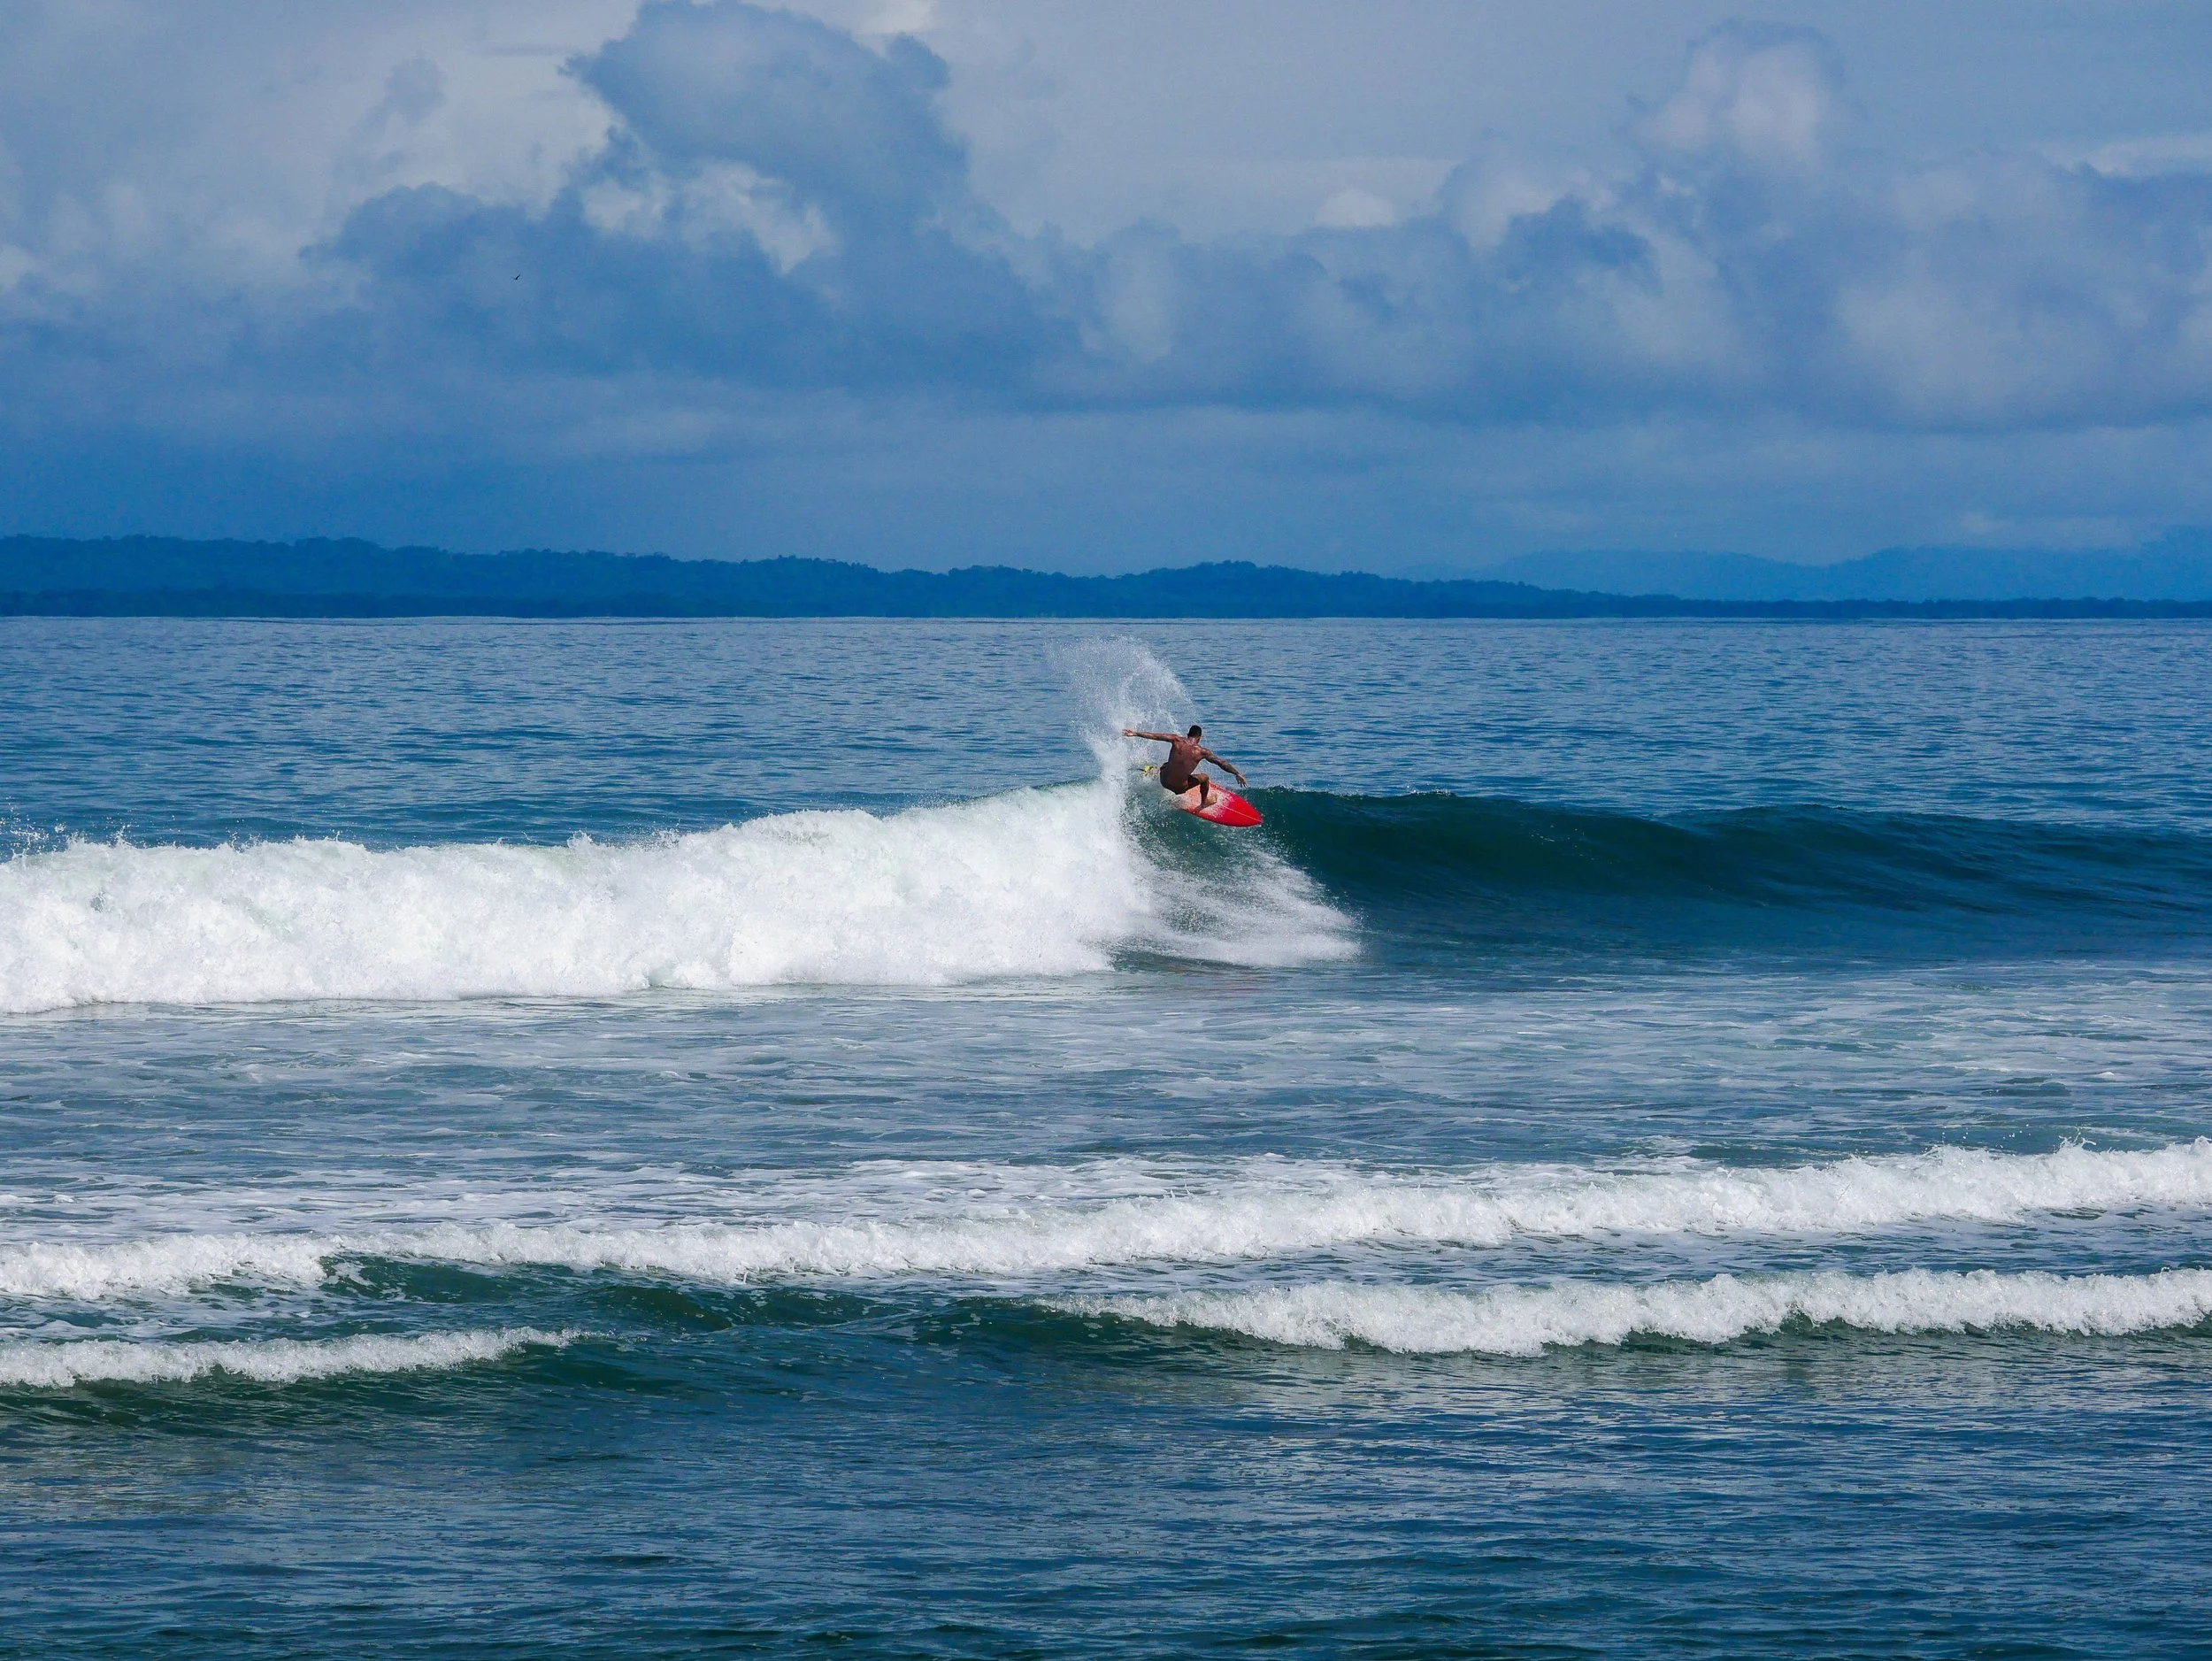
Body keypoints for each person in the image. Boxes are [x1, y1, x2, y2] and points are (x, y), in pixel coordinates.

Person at [1122, 723, 1248, 809]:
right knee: (1205, 777)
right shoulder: (1202, 752)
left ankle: (1153, 773)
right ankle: (1204, 803)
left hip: (1164, 781)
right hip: (1179, 788)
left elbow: (1155, 736)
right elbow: (1222, 763)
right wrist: (1236, 773)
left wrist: (1135, 733)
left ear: (1188, 734)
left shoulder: (1176, 740)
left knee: (1166, 765)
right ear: (1199, 738)